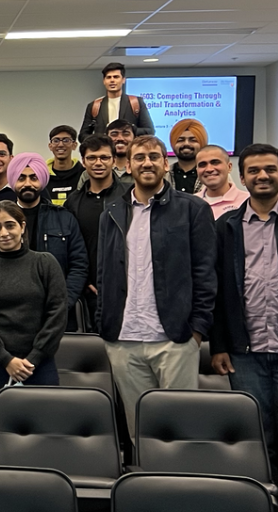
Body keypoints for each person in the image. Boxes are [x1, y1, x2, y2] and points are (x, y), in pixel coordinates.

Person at [97, 135, 216, 434]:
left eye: (153, 157)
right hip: (123, 339)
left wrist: (197, 331)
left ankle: (184, 481)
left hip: (174, 338)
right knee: (140, 428)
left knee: (181, 426)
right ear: (129, 165)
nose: (146, 163)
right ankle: (147, 479)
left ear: (165, 164)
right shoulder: (111, 212)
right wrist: (104, 320)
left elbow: (205, 273)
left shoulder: (193, 209)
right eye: (139, 157)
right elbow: (103, 273)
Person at [209, 143, 278, 476]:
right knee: (258, 433)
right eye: (254, 170)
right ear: (242, 177)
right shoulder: (226, 226)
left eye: (270, 169)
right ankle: (265, 496)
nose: (262, 176)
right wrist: (219, 346)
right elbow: (215, 290)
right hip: (244, 351)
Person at [0, 201, 67, 401]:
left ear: (22, 226)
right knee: (4, 425)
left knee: (47, 422)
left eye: (10, 225)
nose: (4, 233)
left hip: (39, 363)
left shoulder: (45, 263)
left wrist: (33, 358)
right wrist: (6, 359)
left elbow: (57, 313)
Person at [6, 153, 88, 332]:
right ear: (13, 181)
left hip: (57, 316)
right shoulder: (0, 220)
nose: (28, 183)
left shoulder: (64, 218)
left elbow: (79, 265)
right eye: (21, 178)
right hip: (11, 317)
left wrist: (62, 303)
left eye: (33, 177)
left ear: (42, 180)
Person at [64, 135, 130, 330]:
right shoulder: (73, 202)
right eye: (92, 158)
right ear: (83, 162)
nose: (98, 163)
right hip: (88, 291)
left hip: (128, 289)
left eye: (104, 157)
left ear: (113, 160)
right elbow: (70, 248)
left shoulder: (130, 195)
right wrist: (82, 283)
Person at [78, 62, 154, 142]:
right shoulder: (94, 106)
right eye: (109, 77)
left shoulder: (136, 102)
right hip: (104, 150)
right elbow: (83, 135)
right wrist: (99, 140)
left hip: (128, 151)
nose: (112, 80)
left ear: (123, 80)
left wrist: (129, 130)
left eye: (116, 77)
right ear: (104, 81)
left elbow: (150, 131)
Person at [196, 144, 249, 219]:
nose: (209, 169)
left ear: (229, 167)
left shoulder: (248, 201)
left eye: (215, 162)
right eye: (202, 164)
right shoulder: (190, 203)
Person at [45, 125, 85, 206]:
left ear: (74, 145)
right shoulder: (42, 176)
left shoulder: (84, 174)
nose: (60, 144)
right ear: (50, 146)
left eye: (66, 140)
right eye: (56, 140)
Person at [169, 118, 208, 194]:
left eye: (193, 140)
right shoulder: (163, 174)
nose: (186, 144)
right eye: (180, 140)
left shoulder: (214, 173)